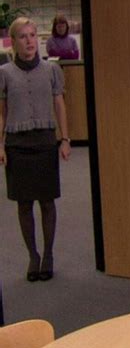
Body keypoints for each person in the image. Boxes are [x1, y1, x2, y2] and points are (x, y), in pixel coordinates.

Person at [0, 17, 71, 282]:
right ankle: (33, 255)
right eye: (23, 36)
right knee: (24, 203)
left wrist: (65, 139)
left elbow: (60, 105)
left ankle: (48, 255)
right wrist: (1, 144)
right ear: (14, 41)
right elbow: (2, 113)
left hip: (44, 142)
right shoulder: (5, 73)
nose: (29, 41)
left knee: (47, 201)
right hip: (17, 144)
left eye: (32, 36)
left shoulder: (51, 70)